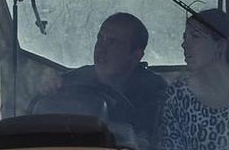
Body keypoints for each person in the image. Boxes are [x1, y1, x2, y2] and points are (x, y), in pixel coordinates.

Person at [40, 11, 167, 141]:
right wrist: (49, 87)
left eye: (112, 42)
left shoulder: (153, 90)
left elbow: (148, 143)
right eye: (100, 38)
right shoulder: (71, 81)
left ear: (136, 56)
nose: (100, 48)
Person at [158, 8, 229, 150]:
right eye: (184, 37)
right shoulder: (177, 95)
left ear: (221, 45)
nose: (184, 44)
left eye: (195, 37)